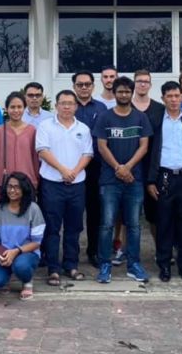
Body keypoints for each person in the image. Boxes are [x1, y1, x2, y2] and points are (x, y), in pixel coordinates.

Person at [93, 76, 153, 284]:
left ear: (132, 92)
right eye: (120, 91)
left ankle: (134, 264)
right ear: (115, 93)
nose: (124, 94)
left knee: (134, 225)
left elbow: (144, 146)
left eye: (128, 91)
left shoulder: (140, 118)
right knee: (107, 224)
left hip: (134, 180)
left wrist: (128, 167)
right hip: (110, 180)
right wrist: (118, 167)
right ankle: (105, 265)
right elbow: (102, 146)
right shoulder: (104, 117)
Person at [147, 81, 182, 282]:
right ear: (163, 98)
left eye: (177, 96)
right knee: (164, 223)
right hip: (163, 178)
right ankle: (164, 265)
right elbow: (149, 153)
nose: (173, 100)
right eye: (169, 96)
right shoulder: (155, 120)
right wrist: (150, 181)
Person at [36, 90, 94, 286]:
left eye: (70, 103)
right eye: (63, 103)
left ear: (76, 106)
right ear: (56, 105)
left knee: (74, 227)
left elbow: (87, 153)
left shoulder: (84, 129)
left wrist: (74, 172)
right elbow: (43, 151)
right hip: (52, 183)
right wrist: (63, 170)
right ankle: (53, 268)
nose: (67, 107)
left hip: (77, 185)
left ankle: (71, 265)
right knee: (52, 228)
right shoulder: (45, 126)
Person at [0, 173, 46, 301]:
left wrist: (16, 251)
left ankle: (27, 281)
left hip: (26, 253)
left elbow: (37, 242)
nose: (12, 190)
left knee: (21, 266)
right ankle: (7, 276)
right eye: (9, 186)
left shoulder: (33, 209)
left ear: (24, 189)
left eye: (17, 187)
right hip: (4, 254)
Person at [72, 70, 108, 268]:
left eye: (87, 84)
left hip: (96, 167)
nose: (84, 87)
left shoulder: (102, 108)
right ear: (74, 87)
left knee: (95, 213)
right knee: (75, 213)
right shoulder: (68, 107)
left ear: (93, 86)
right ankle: (72, 252)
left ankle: (93, 251)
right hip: (72, 166)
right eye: (80, 84)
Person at [132, 70, 166, 244]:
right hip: (130, 168)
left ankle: (160, 247)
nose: (142, 84)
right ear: (134, 83)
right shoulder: (125, 107)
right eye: (139, 81)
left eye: (146, 81)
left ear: (150, 85)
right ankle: (123, 249)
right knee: (128, 215)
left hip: (154, 168)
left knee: (155, 213)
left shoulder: (160, 109)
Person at [0, 92, 38, 201]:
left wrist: (35, 182)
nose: (16, 110)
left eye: (19, 107)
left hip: (27, 182)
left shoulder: (32, 130)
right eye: (12, 107)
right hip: (5, 183)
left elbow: (35, 159)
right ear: (6, 109)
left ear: (24, 108)